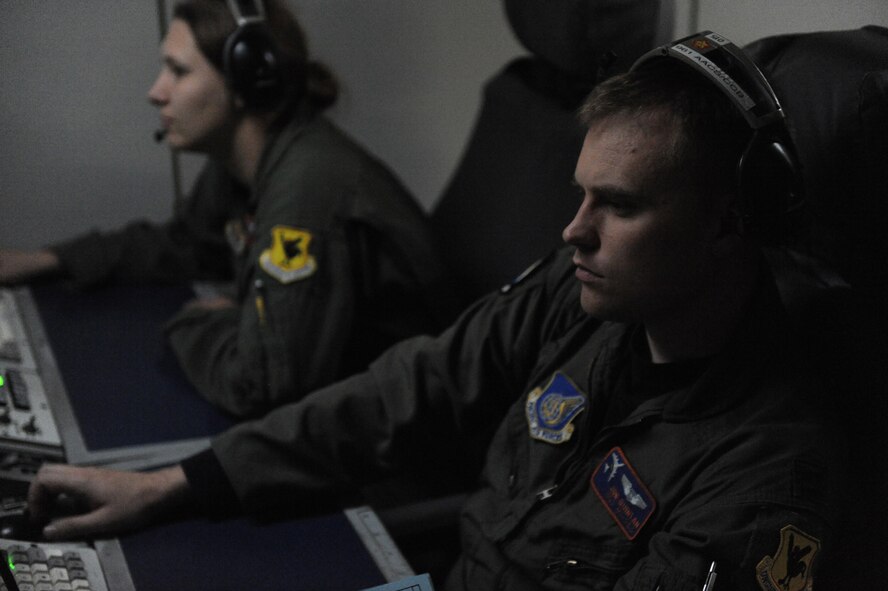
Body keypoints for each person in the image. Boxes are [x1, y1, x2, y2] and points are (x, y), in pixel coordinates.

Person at [26, 33, 844, 590]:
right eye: (579, 195)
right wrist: (177, 483)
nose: (574, 230)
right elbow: (412, 386)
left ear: (731, 223)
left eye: (619, 206)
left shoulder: (762, 482)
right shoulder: (585, 292)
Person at [0, 0, 454, 418]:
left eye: (177, 71)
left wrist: (197, 322)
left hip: (407, 449)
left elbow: (264, 386)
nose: (156, 92)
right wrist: (48, 261)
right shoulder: (242, 165)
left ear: (246, 83)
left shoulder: (306, 192)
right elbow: (184, 245)